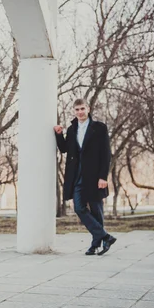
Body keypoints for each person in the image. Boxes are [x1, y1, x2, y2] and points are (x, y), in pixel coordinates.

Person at [54, 99, 117, 255]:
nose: (80, 112)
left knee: (96, 210)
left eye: (82, 108)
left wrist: (103, 177)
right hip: (76, 176)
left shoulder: (99, 128)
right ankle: (105, 236)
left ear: (88, 109)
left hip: (95, 176)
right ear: (74, 111)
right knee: (79, 207)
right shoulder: (72, 129)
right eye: (77, 109)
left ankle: (95, 245)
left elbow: (106, 154)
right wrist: (59, 134)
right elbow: (64, 149)